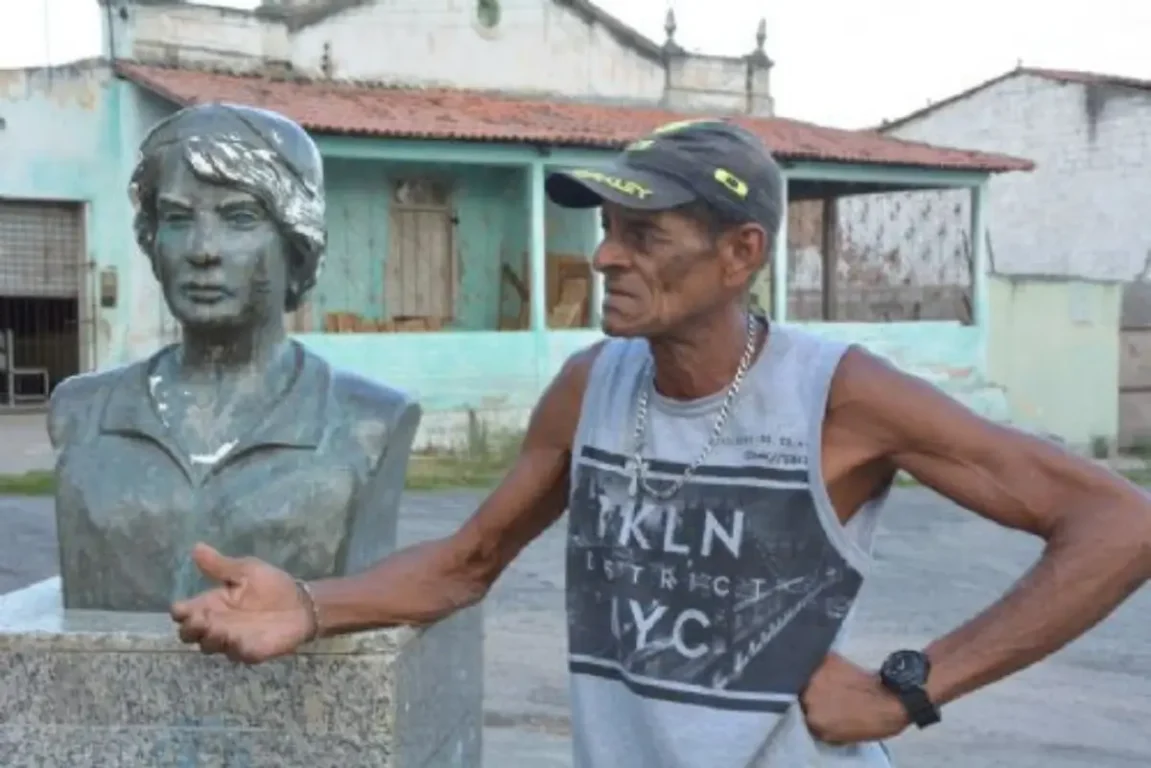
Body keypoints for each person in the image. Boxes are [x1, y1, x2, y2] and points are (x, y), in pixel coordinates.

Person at [170, 119, 1151, 767]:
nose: (604, 256)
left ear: (738, 254)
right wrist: (310, 604)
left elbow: (1116, 525)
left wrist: (909, 690)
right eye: (606, 229)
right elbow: (467, 563)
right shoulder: (591, 385)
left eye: (642, 235)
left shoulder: (838, 397)